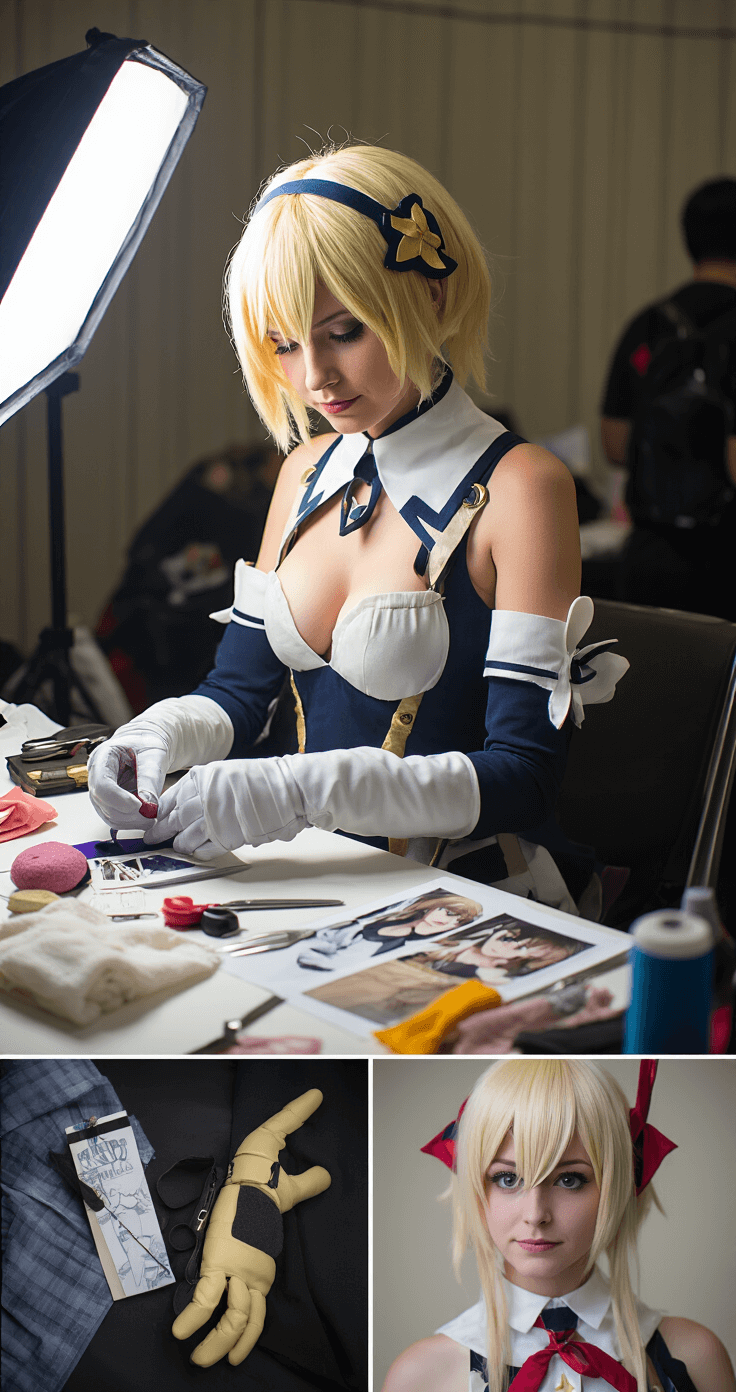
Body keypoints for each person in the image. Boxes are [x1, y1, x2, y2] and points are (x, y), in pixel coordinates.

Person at [87, 143, 628, 911]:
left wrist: (297, 788)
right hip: (312, 882)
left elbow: (523, 775)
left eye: (343, 332)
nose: (314, 378)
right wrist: (158, 733)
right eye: (283, 342)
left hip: (476, 897)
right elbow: (238, 694)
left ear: (432, 297)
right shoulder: (303, 472)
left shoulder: (523, 486)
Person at [383, 1059, 736, 1392]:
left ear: (619, 1185)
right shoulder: (421, 1375)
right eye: (507, 1178)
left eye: (569, 1179)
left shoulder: (695, 1358)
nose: (536, 1215)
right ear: (476, 1186)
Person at [601, 177, 736, 620]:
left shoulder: (648, 325)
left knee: (652, 682)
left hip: (650, 555)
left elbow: (615, 445)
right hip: (724, 556)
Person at [296, 889, 482, 972]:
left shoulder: (407, 944)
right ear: (433, 906)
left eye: (459, 921)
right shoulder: (388, 917)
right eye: (449, 912)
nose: (450, 921)